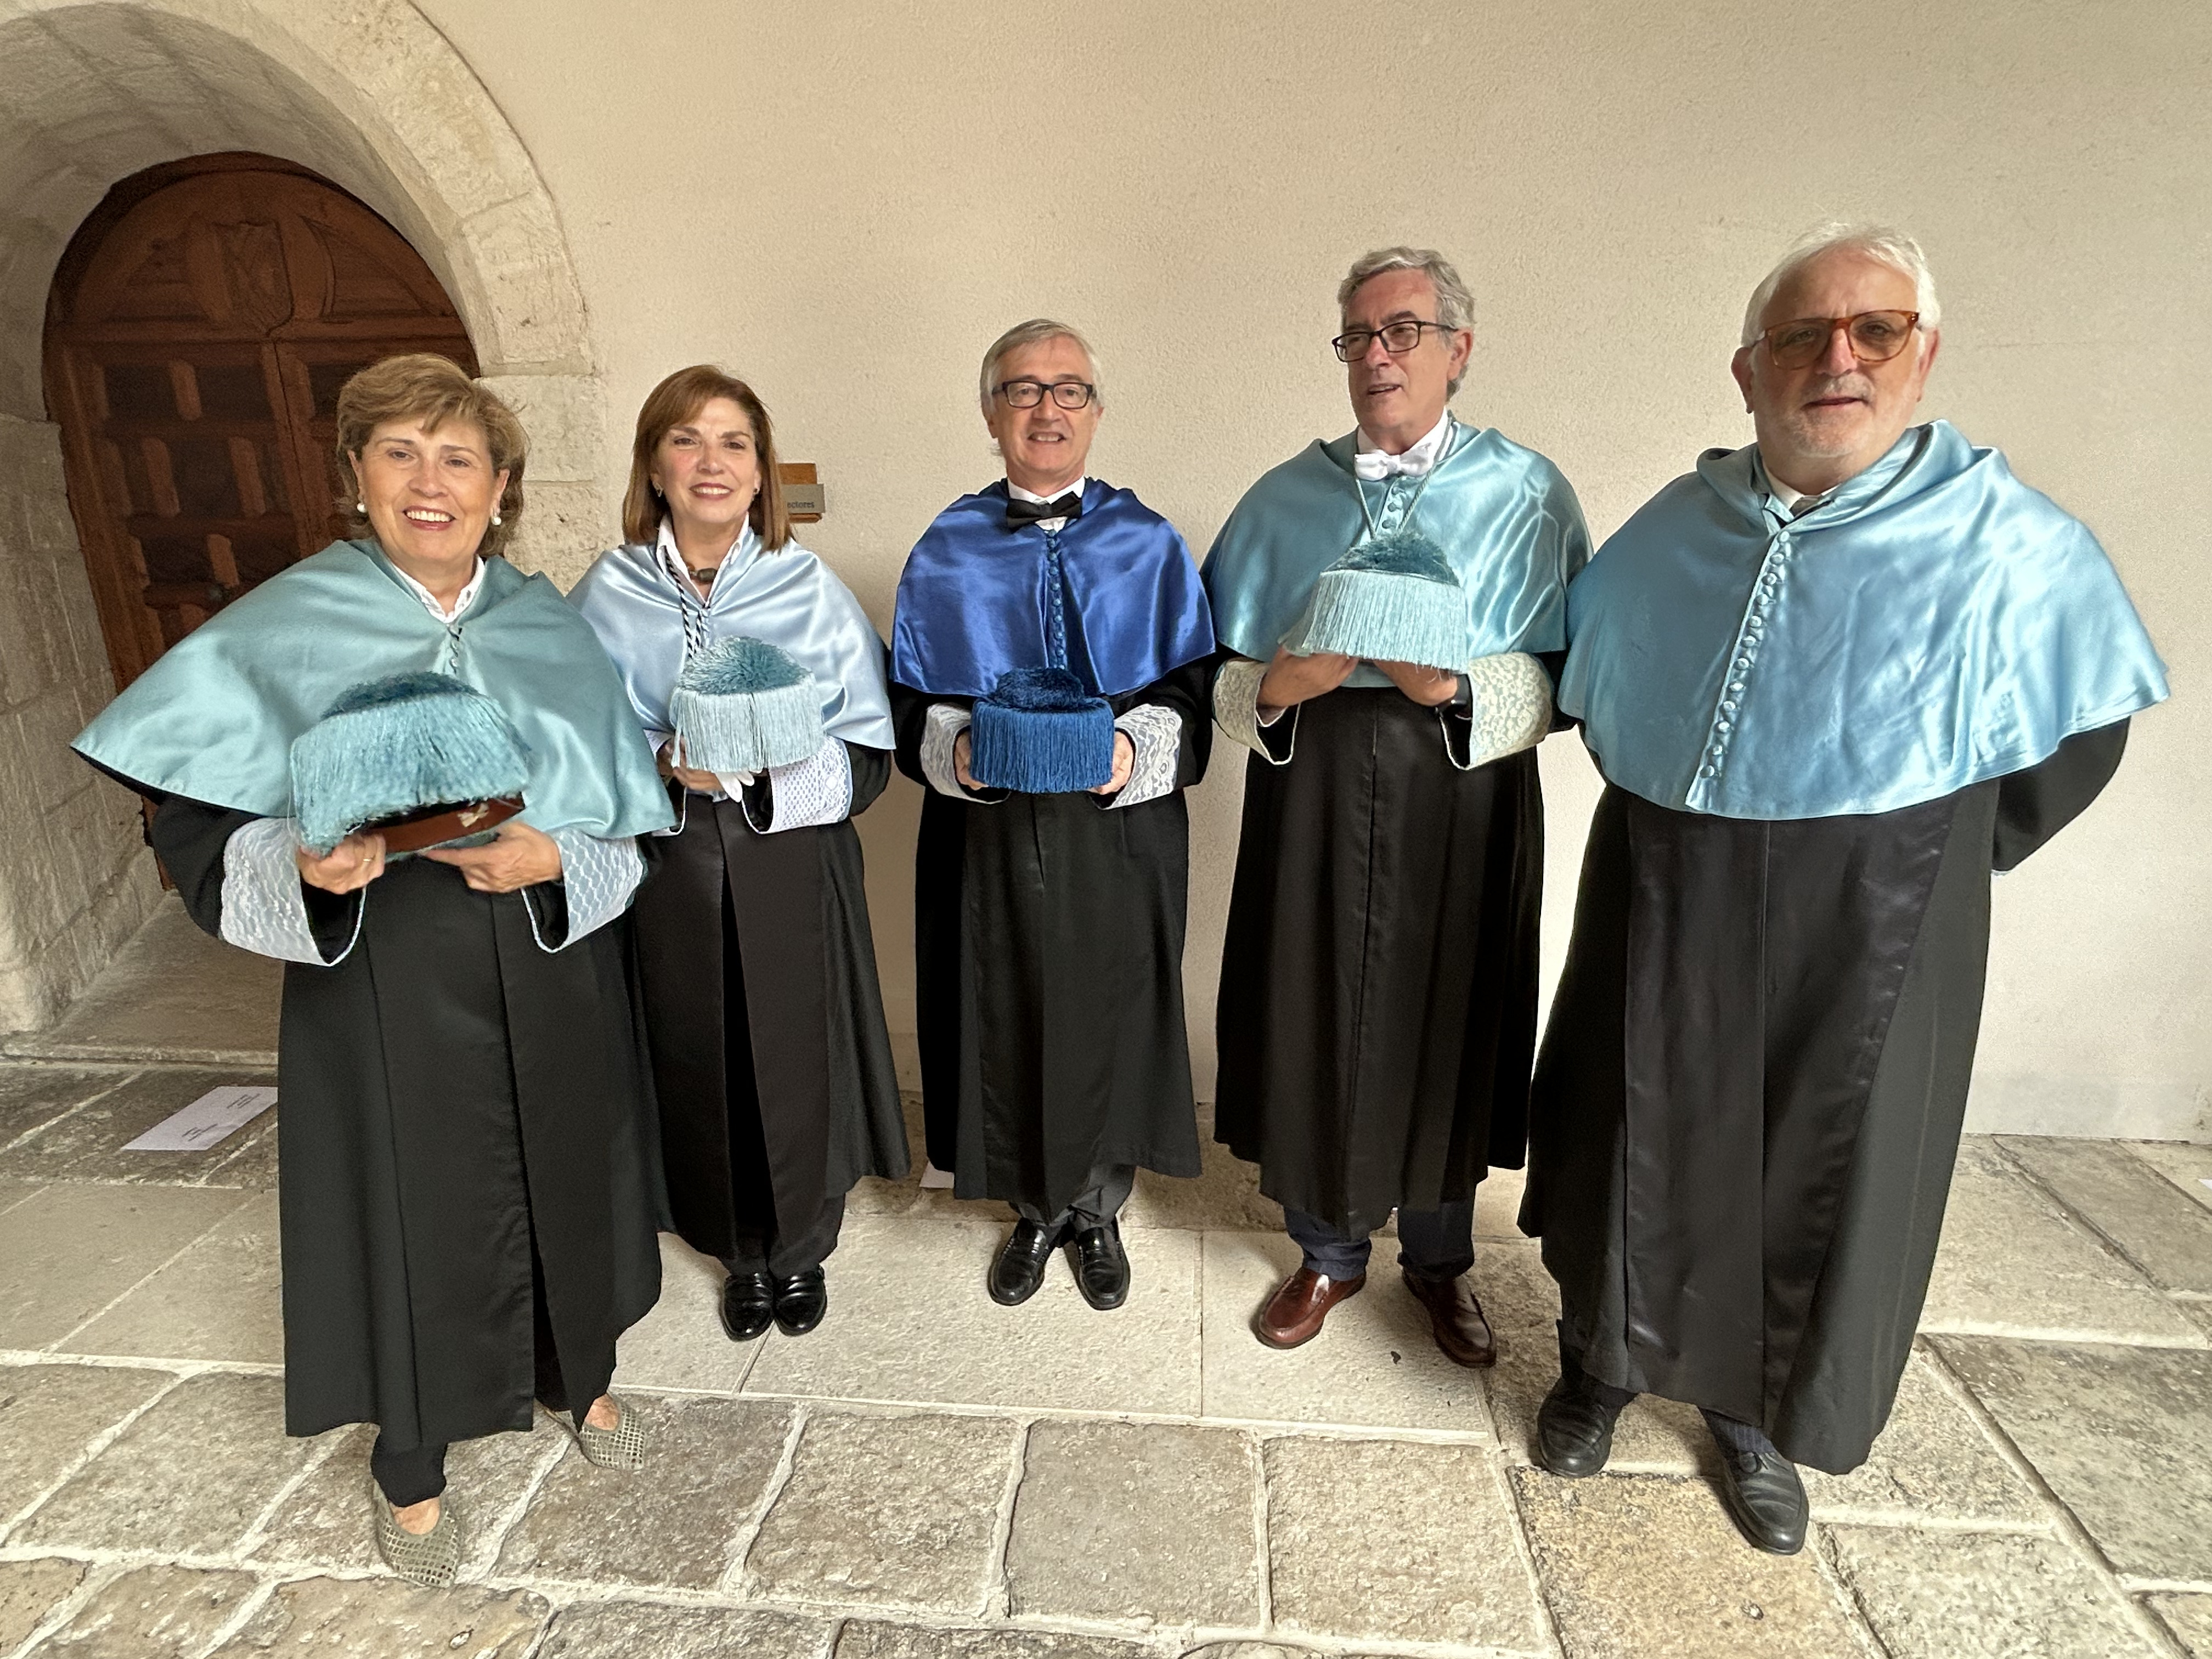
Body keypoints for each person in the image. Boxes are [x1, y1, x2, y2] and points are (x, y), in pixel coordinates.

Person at [1524, 224, 2168, 1555]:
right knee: (1630, 1120)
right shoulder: (1676, 528)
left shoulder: (2010, 545)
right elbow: (1603, 688)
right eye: (1803, 335)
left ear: (1922, 357)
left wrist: (1927, 854)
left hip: (1875, 912)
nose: (1840, 359)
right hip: (1670, 880)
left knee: (1810, 1163)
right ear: (1748, 370)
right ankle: (1600, 1361)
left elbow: (2075, 743)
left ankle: (1754, 1411)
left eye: (1877, 330)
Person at [71, 355, 674, 1588]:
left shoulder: (545, 626)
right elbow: (190, 824)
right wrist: (304, 865)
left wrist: (561, 852)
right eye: (400, 453)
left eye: (458, 459)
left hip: (547, 956)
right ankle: (412, 1457)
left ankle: (582, 1372)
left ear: (499, 488)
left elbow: (630, 811)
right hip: (383, 978)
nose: (430, 482)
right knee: (407, 1209)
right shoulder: (290, 622)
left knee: (570, 1170)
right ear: (357, 476)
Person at [1203, 247, 1589, 1362]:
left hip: (1462, 794)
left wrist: (1453, 690)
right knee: (1312, 1004)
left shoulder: (1527, 494)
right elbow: (1214, 676)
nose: (1378, 356)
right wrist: (1281, 686)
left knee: (1451, 1011)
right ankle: (1327, 1253)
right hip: (1315, 789)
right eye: (1359, 336)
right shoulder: (1285, 496)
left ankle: (1439, 1260)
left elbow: (1571, 680)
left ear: (1457, 350)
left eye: (1403, 331)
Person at [571, 365, 905, 1344]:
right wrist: (663, 764)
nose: (710, 462)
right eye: (686, 440)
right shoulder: (607, 594)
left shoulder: (809, 590)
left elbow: (870, 757)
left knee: (795, 1055)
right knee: (697, 1056)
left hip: (789, 864)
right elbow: (571, 744)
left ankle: (800, 1246)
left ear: (761, 472)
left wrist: (756, 781)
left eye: (734, 443)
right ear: (654, 467)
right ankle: (734, 1248)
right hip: (664, 869)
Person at [889, 318, 1215, 1311]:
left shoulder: (1148, 542)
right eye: (1022, 389)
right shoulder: (945, 547)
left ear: (1096, 411)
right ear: (991, 414)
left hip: (1117, 832)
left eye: (1068, 389)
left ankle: (1097, 1208)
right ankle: (1034, 1208)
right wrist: (956, 749)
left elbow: (1194, 689)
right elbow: (906, 701)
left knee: (1109, 1010)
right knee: (1005, 1007)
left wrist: (1133, 750)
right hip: (987, 836)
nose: (1046, 408)